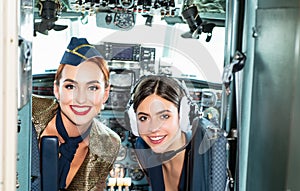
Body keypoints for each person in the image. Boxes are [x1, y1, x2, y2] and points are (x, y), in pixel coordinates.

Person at [32, 37, 121, 190]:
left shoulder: (109, 143)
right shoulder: (26, 112)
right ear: (56, 90)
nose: (80, 99)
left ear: (105, 94)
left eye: (92, 88)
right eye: (70, 86)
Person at [125, 75, 197, 191]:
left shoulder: (200, 159)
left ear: (183, 116)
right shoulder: (142, 147)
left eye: (164, 116)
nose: (153, 129)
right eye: (144, 118)